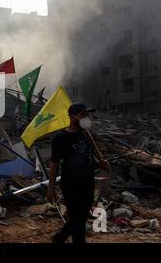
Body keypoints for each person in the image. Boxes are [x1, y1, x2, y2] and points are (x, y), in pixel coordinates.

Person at [46, 103, 109, 243]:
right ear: (73, 117)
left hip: (88, 182)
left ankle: (59, 238)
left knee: (80, 217)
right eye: (83, 115)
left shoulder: (86, 136)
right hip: (71, 185)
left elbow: (87, 157)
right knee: (78, 223)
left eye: (88, 115)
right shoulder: (61, 139)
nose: (87, 118)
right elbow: (54, 163)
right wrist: (51, 187)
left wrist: (100, 163)